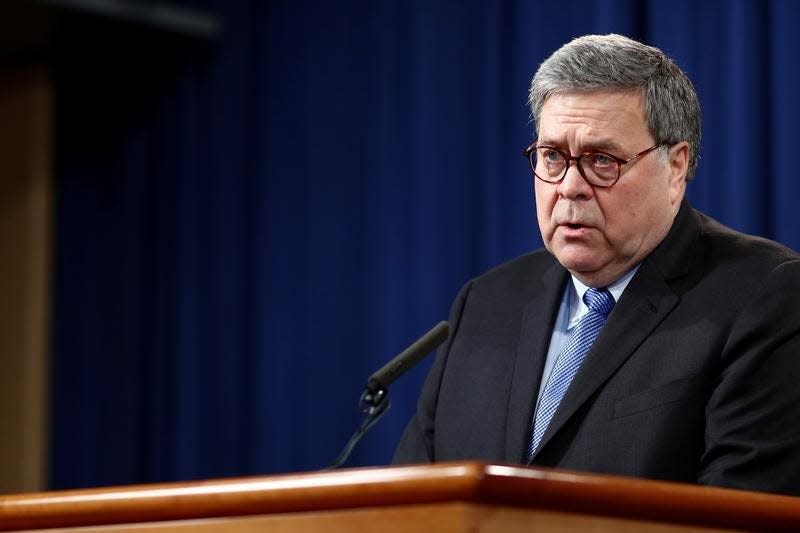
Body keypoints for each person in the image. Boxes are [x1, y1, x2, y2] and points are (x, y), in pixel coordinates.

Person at [393, 34, 800, 496]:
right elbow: (414, 501)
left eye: (601, 160)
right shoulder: (486, 303)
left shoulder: (764, 295)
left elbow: (741, 509)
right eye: (552, 157)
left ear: (677, 168)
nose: (569, 187)